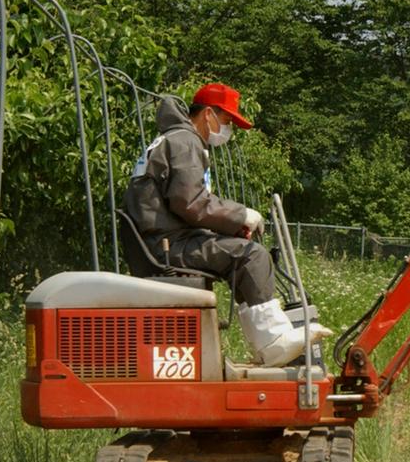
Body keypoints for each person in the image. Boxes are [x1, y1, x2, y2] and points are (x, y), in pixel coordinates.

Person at [123, 82, 328, 367]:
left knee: (242, 252)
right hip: (167, 248)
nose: (228, 129)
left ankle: (270, 341)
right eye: (227, 121)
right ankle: (272, 343)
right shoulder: (185, 141)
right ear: (208, 114)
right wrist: (241, 215)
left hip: (161, 242)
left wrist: (231, 224)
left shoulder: (171, 140)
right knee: (252, 256)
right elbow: (191, 203)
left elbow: (181, 205)